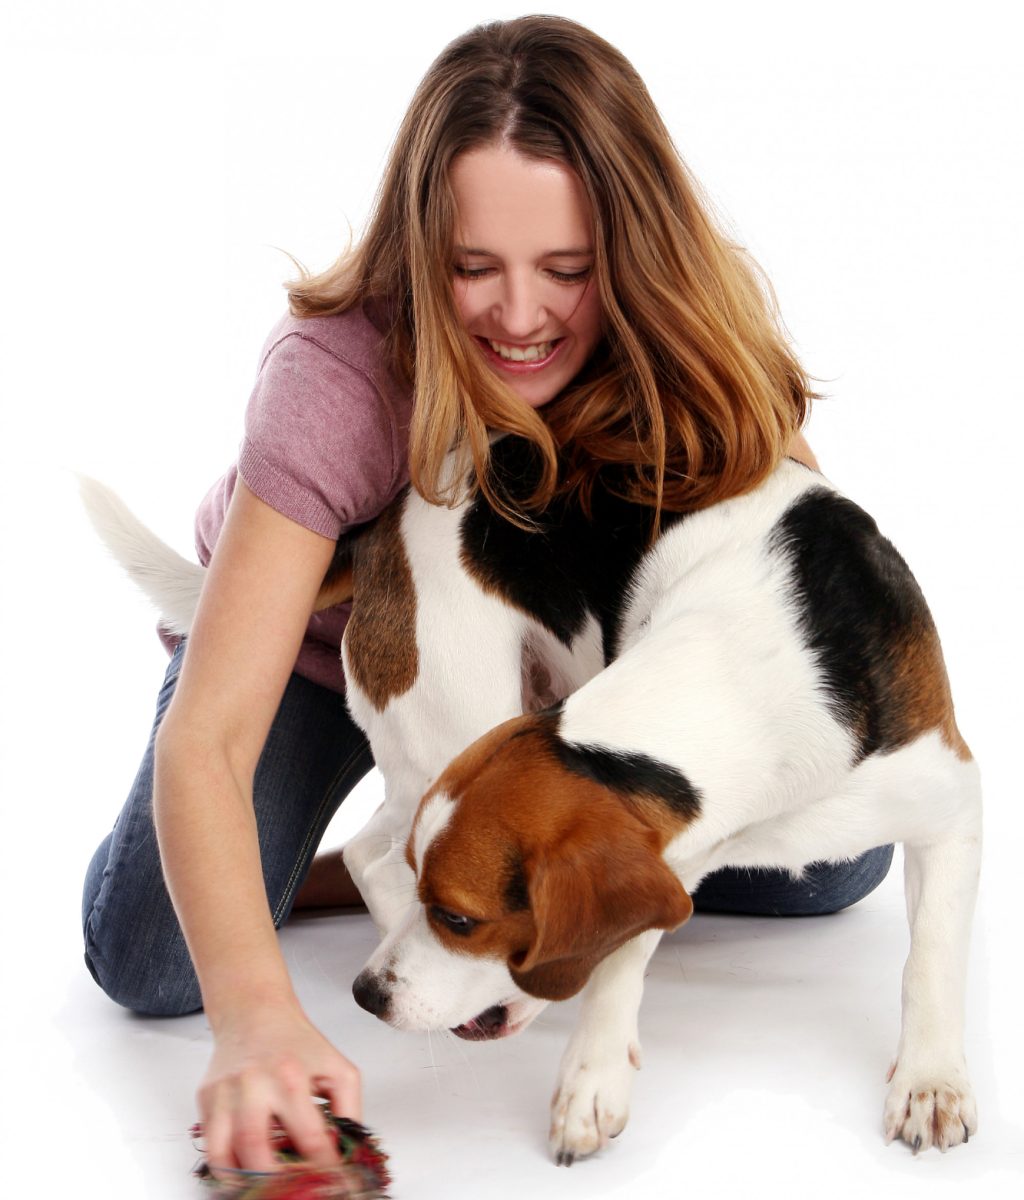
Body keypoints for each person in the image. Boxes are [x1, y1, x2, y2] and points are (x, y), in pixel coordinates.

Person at [82, 14, 893, 1176]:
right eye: (473, 268)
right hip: (313, 646)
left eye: (568, 270)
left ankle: (414, 860)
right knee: (156, 962)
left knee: (835, 864)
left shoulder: (692, 339)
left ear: (637, 250)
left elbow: (788, 577)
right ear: (421, 251)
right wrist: (255, 1015)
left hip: (567, 663)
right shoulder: (338, 380)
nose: (520, 317)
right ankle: (412, 857)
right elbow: (208, 738)